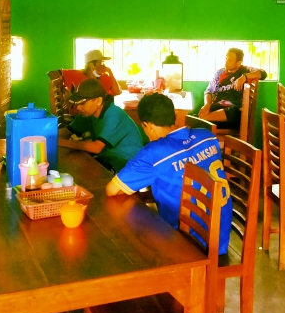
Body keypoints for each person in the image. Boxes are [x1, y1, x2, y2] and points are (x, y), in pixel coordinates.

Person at [106, 93, 233, 255]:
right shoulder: (207, 136)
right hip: (220, 236)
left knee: (130, 236)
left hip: (188, 244)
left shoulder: (154, 153)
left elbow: (112, 190)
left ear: (147, 126)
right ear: (173, 115)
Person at [58, 78, 143, 172]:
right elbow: (68, 131)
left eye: (82, 103)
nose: (78, 107)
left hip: (129, 164)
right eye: (77, 103)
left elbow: (96, 147)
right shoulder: (87, 114)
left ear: (98, 101)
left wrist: (61, 142)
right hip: (108, 158)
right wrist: (48, 138)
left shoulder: (114, 115)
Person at [198, 48, 267, 129]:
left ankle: (202, 119)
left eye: (230, 59)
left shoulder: (245, 70)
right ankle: (203, 119)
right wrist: (207, 105)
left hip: (231, 116)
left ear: (238, 63)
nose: (226, 61)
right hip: (217, 109)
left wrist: (244, 76)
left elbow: (263, 73)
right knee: (199, 112)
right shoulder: (219, 73)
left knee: (235, 112)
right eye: (226, 58)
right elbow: (208, 91)